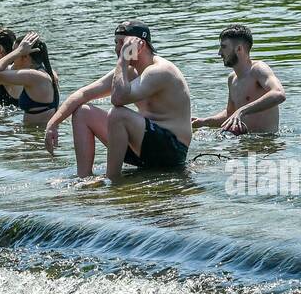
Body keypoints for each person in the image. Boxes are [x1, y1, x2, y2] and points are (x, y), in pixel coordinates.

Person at [44, 21, 192, 183]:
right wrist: (52, 124)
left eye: (123, 43)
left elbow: (118, 98)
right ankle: (84, 179)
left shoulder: (160, 71)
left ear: (140, 45)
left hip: (171, 151)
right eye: (116, 43)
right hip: (143, 148)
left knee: (118, 114)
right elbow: (83, 93)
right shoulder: (128, 70)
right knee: (82, 111)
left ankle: (113, 180)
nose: (117, 48)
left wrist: (123, 60)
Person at [193, 24, 286, 134]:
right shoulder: (232, 79)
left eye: (223, 47)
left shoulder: (258, 69)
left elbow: (279, 93)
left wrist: (242, 110)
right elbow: (230, 115)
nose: (219, 53)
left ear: (239, 49)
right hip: (246, 143)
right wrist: (203, 122)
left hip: (267, 144)